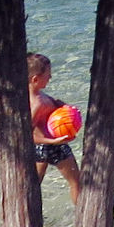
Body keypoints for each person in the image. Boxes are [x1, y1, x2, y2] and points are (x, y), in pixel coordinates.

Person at [29, 53, 81, 202]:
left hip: (40, 149)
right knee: (76, 182)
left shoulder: (34, 94)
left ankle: (11, 219)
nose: (50, 78)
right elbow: (27, 135)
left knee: (33, 186)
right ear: (35, 79)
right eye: (48, 75)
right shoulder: (37, 103)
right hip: (53, 146)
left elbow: (53, 104)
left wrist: (63, 106)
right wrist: (53, 142)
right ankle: (81, 214)